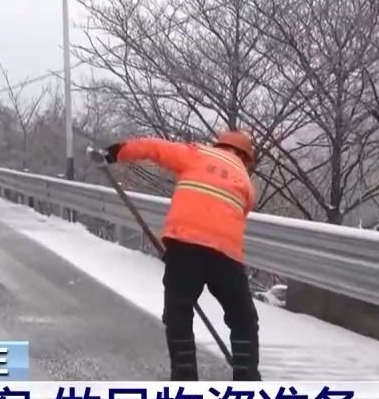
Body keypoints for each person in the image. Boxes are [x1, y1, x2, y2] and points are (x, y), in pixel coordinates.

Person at [98, 129, 260, 381]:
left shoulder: (196, 154)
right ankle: (247, 377)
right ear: (246, 159)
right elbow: (238, 215)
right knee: (243, 318)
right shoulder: (246, 183)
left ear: (219, 145)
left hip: (185, 246)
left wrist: (114, 153)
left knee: (179, 311)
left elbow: (153, 147)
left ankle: (185, 377)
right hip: (226, 254)